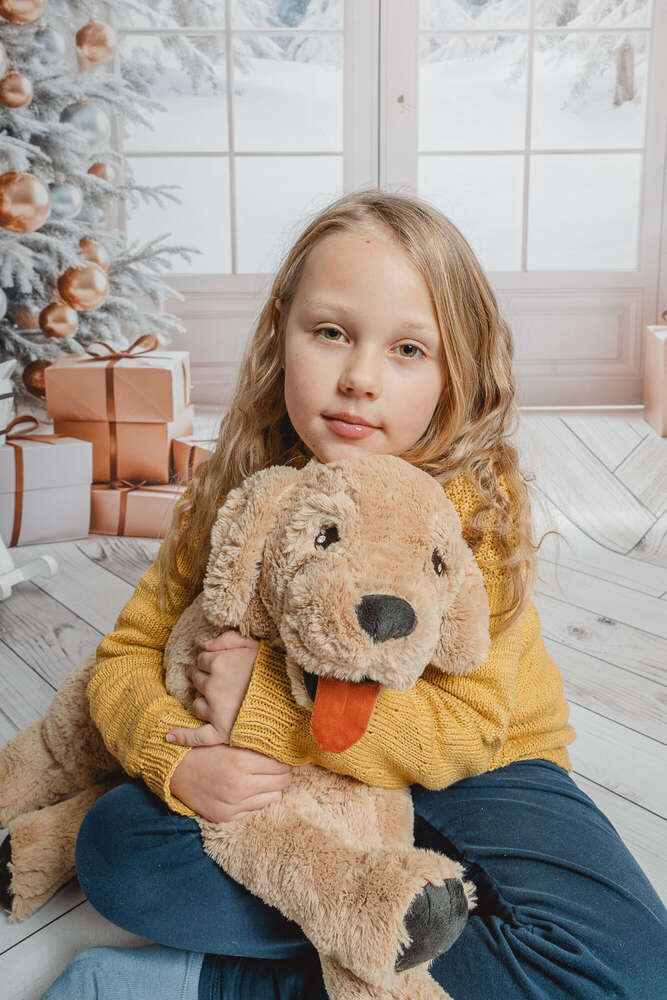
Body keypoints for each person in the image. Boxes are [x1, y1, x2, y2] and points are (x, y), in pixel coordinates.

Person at [29, 189, 666, 999]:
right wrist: (170, 762)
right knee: (120, 850)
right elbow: (124, 660)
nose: (360, 377)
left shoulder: (475, 513)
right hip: (301, 799)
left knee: (636, 970)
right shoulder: (235, 493)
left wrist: (270, 709)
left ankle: (219, 982)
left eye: (407, 349)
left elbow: (466, 731)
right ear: (280, 339)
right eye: (330, 333)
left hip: (479, 770)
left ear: (455, 373)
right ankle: (388, 923)